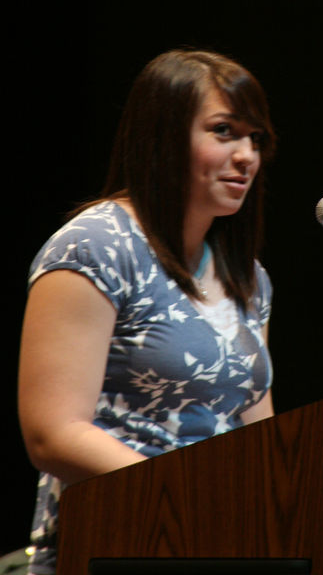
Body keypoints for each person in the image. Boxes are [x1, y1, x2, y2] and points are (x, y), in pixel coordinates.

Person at [18, 49, 276, 574]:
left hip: (219, 550)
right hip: (116, 544)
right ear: (164, 135)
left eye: (255, 138)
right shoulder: (97, 245)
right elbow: (53, 433)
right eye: (224, 131)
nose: (247, 155)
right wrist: (185, 501)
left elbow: (259, 442)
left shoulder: (248, 277)